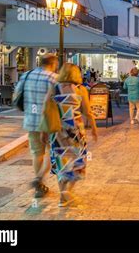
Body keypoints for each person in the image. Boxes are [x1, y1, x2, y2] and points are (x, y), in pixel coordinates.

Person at [49, 63, 98, 207]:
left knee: (61, 163)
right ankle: (67, 193)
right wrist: (94, 128)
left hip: (57, 131)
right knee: (77, 163)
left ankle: (62, 197)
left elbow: (46, 108)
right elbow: (87, 112)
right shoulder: (80, 89)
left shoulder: (53, 88)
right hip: (75, 132)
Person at [13, 53, 58, 198]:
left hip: (31, 121)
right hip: (50, 122)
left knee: (37, 153)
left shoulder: (26, 76)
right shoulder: (54, 78)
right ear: (53, 63)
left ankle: (39, 186)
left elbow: (16, 96)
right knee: (52, 152)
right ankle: (39, 178)